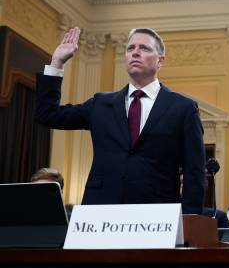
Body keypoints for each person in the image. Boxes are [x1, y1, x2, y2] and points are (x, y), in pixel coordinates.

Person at [35, 27, 205, 214]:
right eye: (130, 48)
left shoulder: (183, 108)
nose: (135, 53)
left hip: (156, 215)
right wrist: (57, 63)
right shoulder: (100, 104)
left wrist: (190, 220)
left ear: (160, 60)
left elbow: (194, 172)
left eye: (144, 48)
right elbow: (47, 115)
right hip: (100, 210)